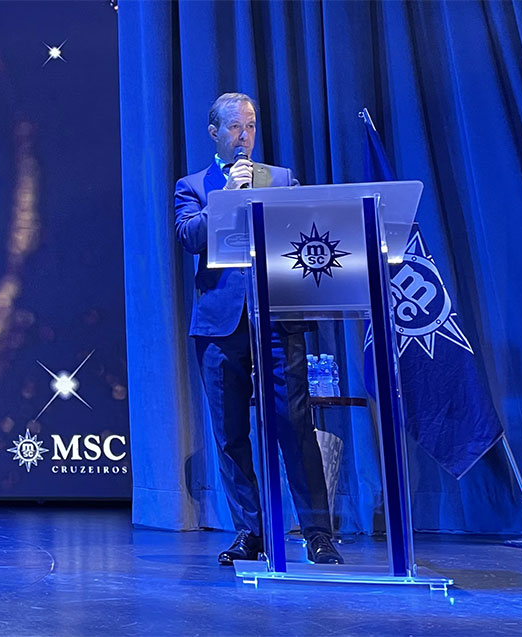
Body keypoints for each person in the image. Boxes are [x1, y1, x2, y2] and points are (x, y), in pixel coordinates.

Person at [173, 92, 343, 566]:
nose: (244, 137)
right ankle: (251, 533)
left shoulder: (281, 180)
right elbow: (188, 237)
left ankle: (317, 534)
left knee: (295, 424)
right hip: (220, 324)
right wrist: (228, 196)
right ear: (215, 133)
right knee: (230, 434)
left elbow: (306, 233)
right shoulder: (194, 185)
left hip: (277, 318)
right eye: (234, 128)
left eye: (249, 127)